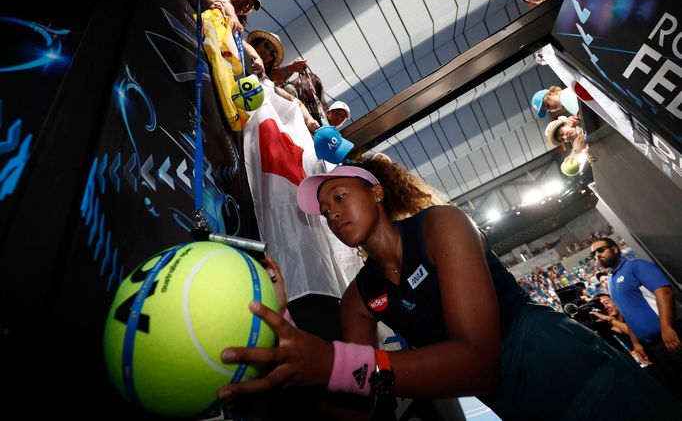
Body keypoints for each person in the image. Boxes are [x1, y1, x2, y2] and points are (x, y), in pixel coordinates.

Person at [217, 155, 682, 420]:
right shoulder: (359, 298)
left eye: (340, 196)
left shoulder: (442, 225)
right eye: (325, 210)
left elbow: (477, 361)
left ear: (376, 192)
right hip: (519, 404)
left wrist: (334, 363)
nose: (333, 213)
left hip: (573, 372)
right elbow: (356, 406)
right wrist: (289, 338)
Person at [592, 237, 682, 400]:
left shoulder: (636, 265)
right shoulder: (611, 280)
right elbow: (628, 314)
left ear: (615, 249)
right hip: (653, 346)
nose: (597, 255)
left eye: (601, 250)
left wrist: (666, 327)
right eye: (594, 253)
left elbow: (664, 293)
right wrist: (636, 343)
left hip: (670, 335)